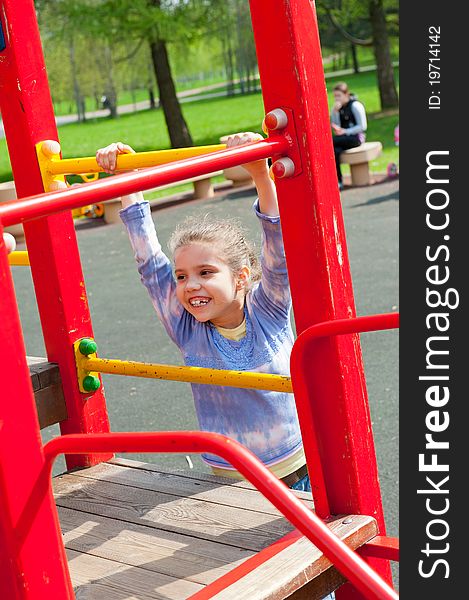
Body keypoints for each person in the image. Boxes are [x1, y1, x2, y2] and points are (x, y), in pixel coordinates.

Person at [95, 133, 311, 492]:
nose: (190, 285)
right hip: (229, 484)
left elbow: (278, 252)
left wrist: (260, 172)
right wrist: (126, 178)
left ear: (241, 277)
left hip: (295, 472)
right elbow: (150, 265)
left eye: (205, 273)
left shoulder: (267, 312)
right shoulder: (187, 327)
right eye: (182, 277)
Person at [330, 81, 367, 190]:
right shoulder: (338, 107)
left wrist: (345, 131)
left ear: (346, 94)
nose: (337, 99)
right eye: (335, 96)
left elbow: (362, 126)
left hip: (356, 137)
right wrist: (335, 112)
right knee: (334, 151)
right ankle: (339, 181)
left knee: (330, 142)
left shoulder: (355, 105)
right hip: (344, 138)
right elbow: (337, 125)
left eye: (339, 96)